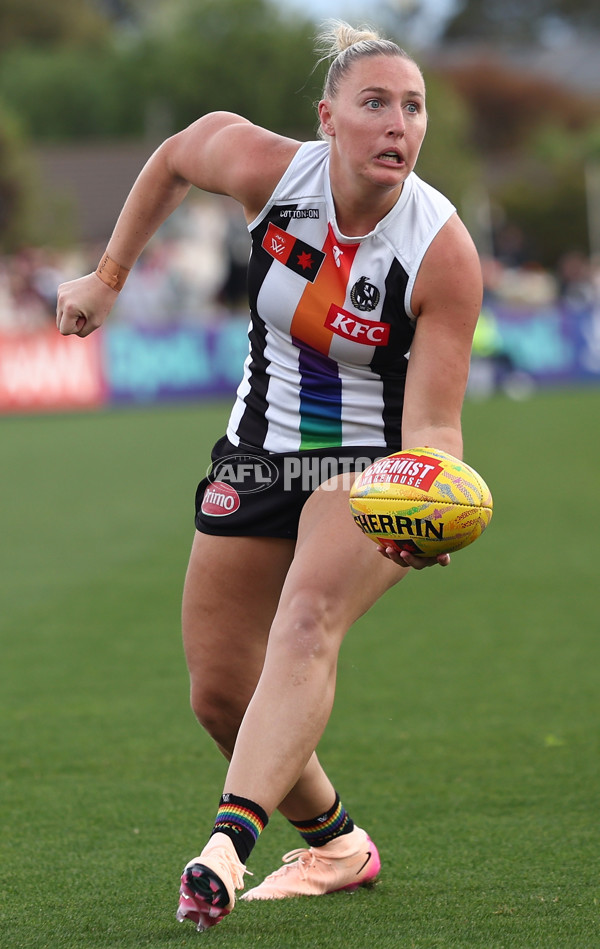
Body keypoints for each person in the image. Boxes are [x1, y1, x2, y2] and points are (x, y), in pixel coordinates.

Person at [56, 20, 482, 933]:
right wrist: (109, 276)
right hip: (254, 451)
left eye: (413, 106)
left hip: (364, 468)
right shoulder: (268, 170)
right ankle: (336, 842)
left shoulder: (442, 250)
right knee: (219, 692)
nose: (396, 122)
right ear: (328, 118)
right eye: (374, 103)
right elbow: (173, 157)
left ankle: (224, 847)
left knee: (307, 618)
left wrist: (428, 493)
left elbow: (436, 421)